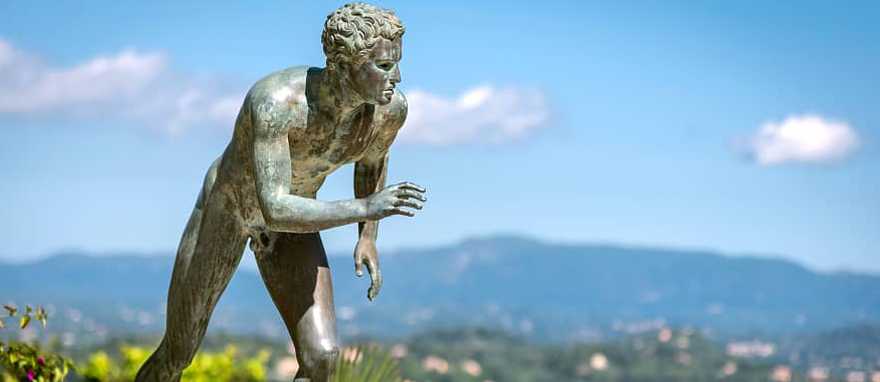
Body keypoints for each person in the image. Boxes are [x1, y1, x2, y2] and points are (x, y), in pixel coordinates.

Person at [135, 3, 425, 381]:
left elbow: (372, 163)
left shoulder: (387, 112)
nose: (397, 77)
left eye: (396, 63)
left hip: (294, 224)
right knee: (178, 351)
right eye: (384, 67)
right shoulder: (277, 103)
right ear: (341, 65)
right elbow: (273, 207)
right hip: (231, 211)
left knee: (322, 358)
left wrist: (367, 237)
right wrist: (367, 207)